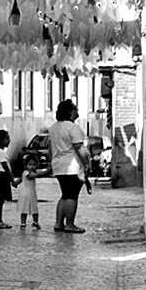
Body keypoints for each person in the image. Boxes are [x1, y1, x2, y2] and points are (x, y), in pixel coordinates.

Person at [48, 99, 91, 233]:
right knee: (72, 195)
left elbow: (50, 148)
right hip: (71, 166)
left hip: (58, 165)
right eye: (75, 108)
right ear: (70, 111)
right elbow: (79, 147)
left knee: (64, 195)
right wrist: (87, 164)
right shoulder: (72, 127)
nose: (77, 111)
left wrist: (52, 162)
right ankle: (70, 224)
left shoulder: (54, 127)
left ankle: (59, 223)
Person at [0, 129, 21, 229]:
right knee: (0, 199)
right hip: (1, 177)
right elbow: (5, 167)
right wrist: (12, 179)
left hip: (1, 177)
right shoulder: (0, 152)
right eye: (7, 138)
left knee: (1, 200)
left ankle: (0, 221)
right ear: (1, 140)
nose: (9, 140)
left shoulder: (0, 151)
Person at [18, 153, 50, 229]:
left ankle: (35, 222)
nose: (32, 166)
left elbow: (20, 180)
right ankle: (23, 223)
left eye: (34, 164)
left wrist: (15, 183)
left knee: (34, 208)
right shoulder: (26, 173)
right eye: (30, 164)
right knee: (25, 209)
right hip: (25, 194)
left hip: (31, 194)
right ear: (26, 165)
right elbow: (33, 175)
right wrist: (46, 171)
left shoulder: (28, 172)